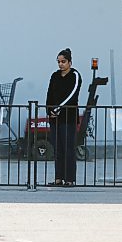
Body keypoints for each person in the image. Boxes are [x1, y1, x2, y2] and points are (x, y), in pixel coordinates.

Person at [46, 48, 82, 187]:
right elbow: (49, 94)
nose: (61, 64)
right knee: (58, 148)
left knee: (68, 148)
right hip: (55, 118)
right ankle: (58, 178)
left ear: (70, 62)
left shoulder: (75, 75)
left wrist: (58, 108)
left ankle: (70, 179)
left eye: (63, 62)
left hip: (68, 117)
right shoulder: (55, 76)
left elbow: (72, 94)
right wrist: (50, 110)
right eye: (59, 62)